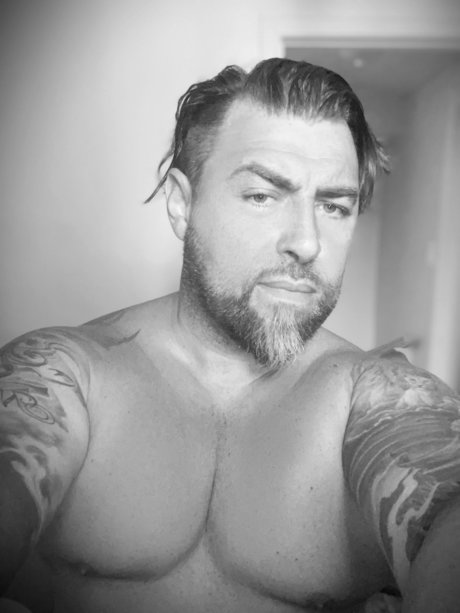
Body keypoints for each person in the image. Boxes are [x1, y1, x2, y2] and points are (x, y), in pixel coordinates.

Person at [1, 57, 459, 613]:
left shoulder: (380, 400)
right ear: (182, 204)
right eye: (263, 196)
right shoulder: (66, 377)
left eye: (334, 206)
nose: (307, 242)